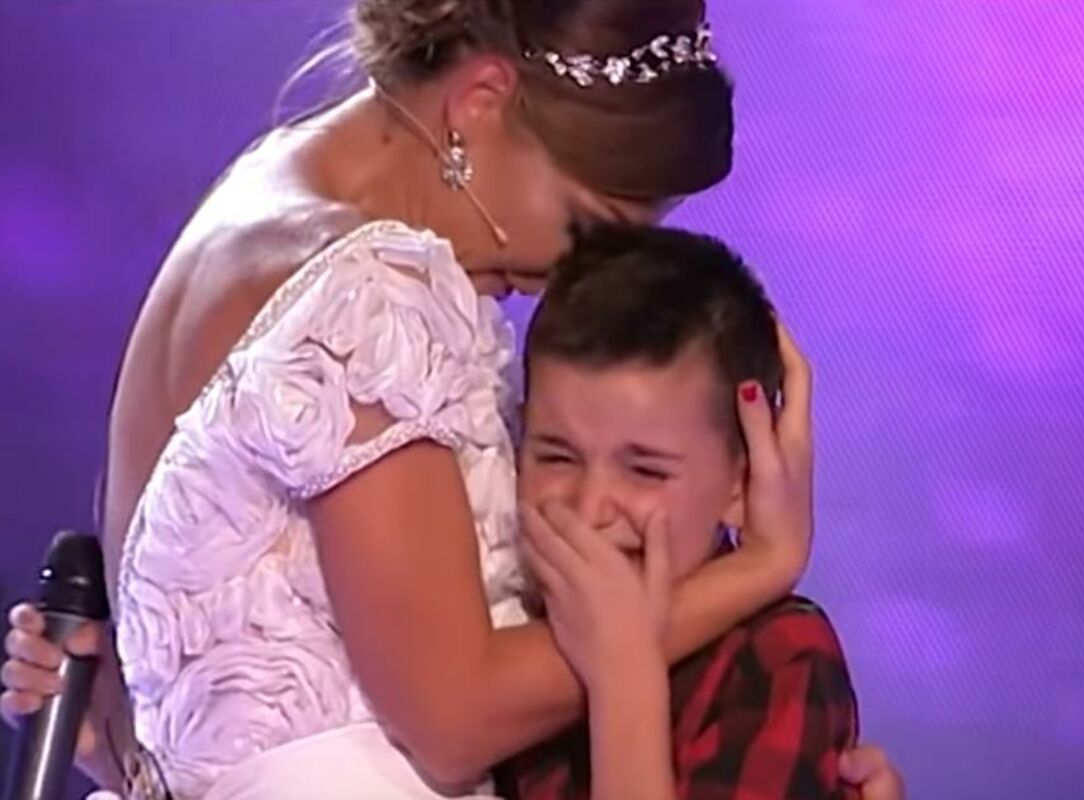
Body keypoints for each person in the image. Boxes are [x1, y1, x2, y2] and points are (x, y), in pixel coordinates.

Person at [1, 1, 903, 798]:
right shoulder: (374, 289)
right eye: (588, 228)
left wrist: (112, 738)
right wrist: (760, 566)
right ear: (480, 100)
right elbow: (454, 719)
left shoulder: (257, 199)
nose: (569, 275)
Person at [499, 224, 862, 799]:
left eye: (646, 470)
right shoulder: (496, 618)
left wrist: (625, 676)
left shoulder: (777, 658)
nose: (589, 512)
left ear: (742, 483)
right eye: (557, 457)